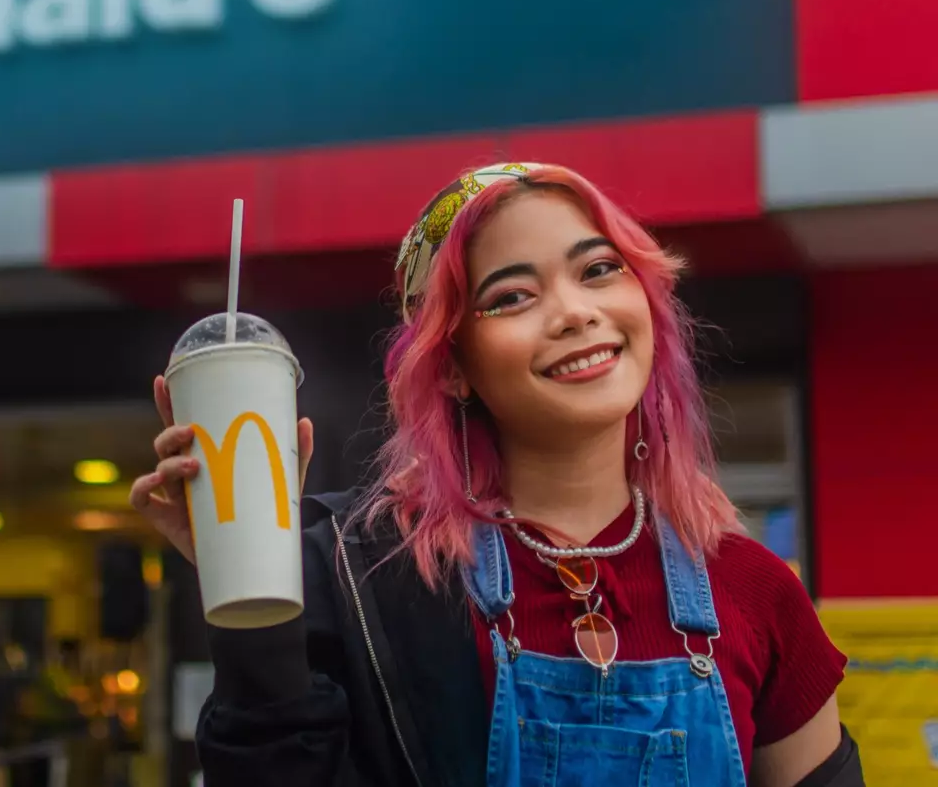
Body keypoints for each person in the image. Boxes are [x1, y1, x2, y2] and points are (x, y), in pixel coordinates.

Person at [131, 163, 865, 787]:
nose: (575, 313)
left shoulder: (757, 590)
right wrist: (252, 584)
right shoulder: (361, 577)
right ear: (451, 367)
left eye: (599, 269)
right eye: (512, 296)